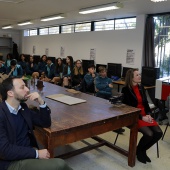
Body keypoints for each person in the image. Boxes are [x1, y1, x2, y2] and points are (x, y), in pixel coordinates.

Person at [0, 77, 73, 170]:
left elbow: (44, 122)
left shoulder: (22, 108)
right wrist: (36, 153)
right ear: (10, 93)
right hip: (11, 162)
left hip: (27, 152)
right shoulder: (2, 114)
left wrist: (41, 102)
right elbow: (4, 151)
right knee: (60, 164)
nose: (27, 89)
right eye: (22, 87)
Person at [121, 68, 162, 164]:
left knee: (158, 133)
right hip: (134, 116)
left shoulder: (141, 87)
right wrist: (141, 117)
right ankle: (140, 151)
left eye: (139, 74)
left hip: (144, 115)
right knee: (149, 134)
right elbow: (127, 108)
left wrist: (148, 115)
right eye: (137, 75)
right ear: (131, 78)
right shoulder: (126, 90)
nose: (140, 76)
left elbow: (146, 103)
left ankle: (140, 150)